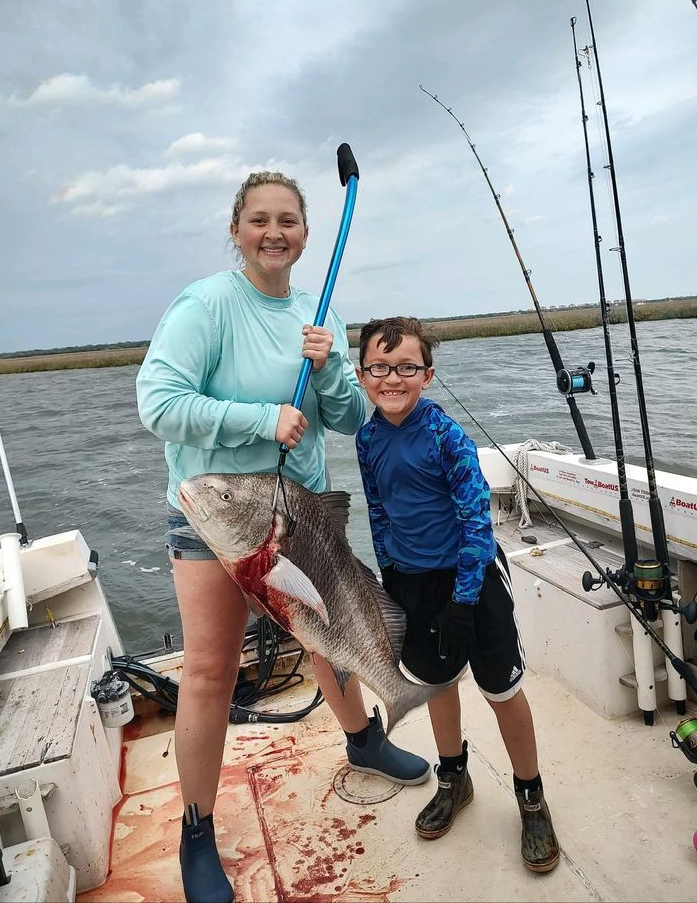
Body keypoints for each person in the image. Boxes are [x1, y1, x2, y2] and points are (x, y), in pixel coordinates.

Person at [136, 173, 430, 903]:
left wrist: (331, 368)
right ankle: (197, 831)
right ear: (236, 229)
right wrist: (259, 420)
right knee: (208, 672)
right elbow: (158, 403)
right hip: (217, 514)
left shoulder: (313, 308)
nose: (275, 231)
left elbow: (348, 418)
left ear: (305, 233)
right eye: (260, 219)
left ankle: (363, 739)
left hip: (297, 511)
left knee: (325, 632)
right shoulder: (206, 305)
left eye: (289, 220)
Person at [354, 315, 560, 873]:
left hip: (473, 582)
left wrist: (466, 598)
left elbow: (477, 522)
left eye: (406, 368)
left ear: (428, 374)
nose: (392, 379)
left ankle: (531, 795)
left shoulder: (448, 437)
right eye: (379, 367)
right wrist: (389, 577)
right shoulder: (367, 438)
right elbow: (378, 511)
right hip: (411, 585)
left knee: (501, 690)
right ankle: (454, 778)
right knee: (437, 684)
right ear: (362, 373)